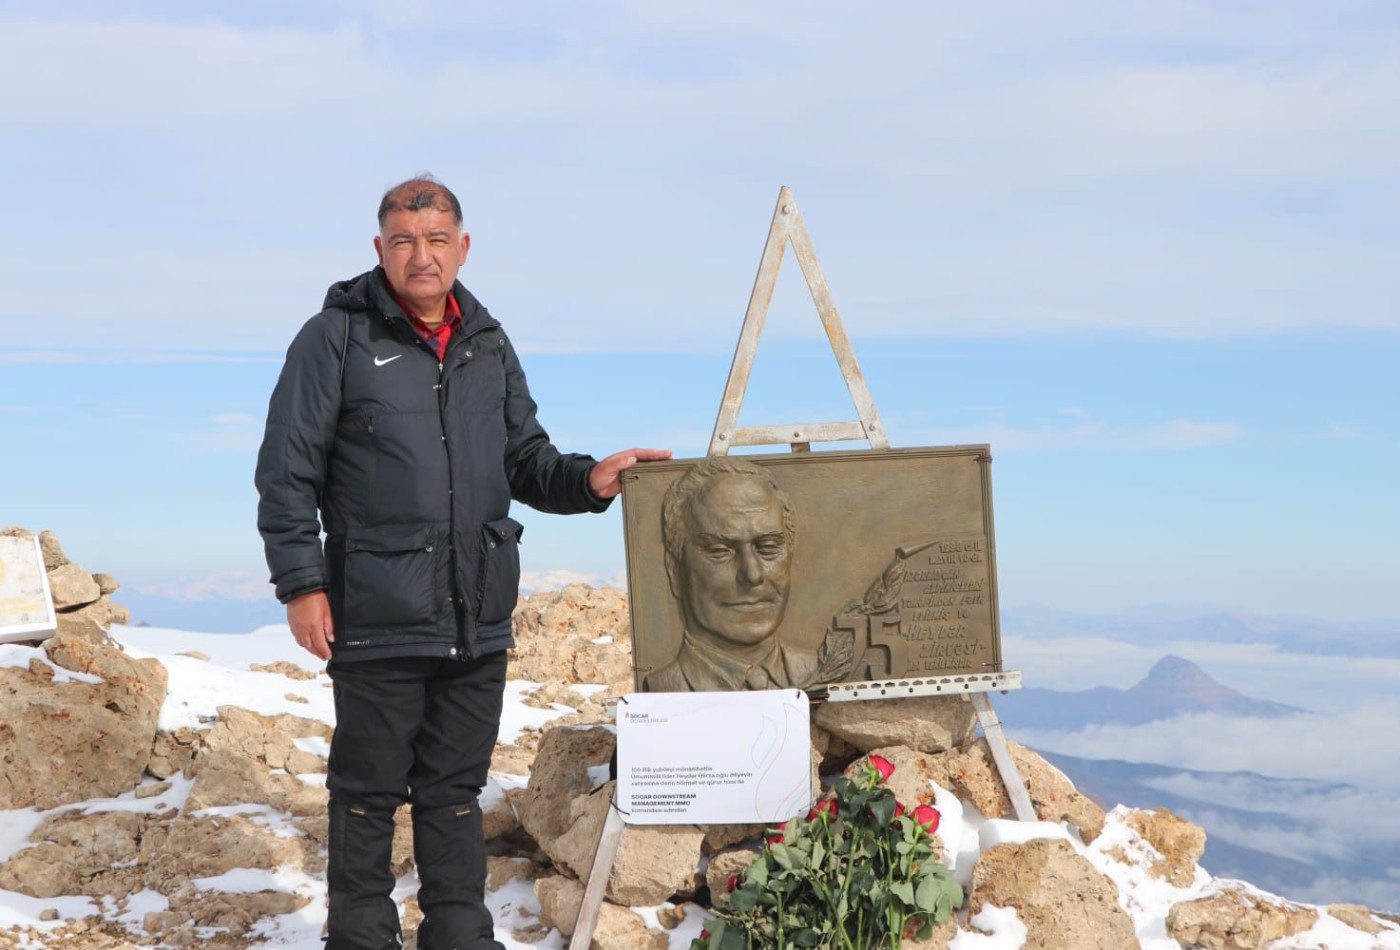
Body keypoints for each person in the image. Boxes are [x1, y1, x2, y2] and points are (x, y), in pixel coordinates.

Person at [254, 175, 668, 950]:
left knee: (452, 792)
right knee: (366, 794)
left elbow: (524, 458)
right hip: (375, 614)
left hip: (475, 618)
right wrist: (302, 584)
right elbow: (287, 472)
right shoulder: (335, 337)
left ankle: (458, 935)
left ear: (462, 247)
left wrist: (587, 480)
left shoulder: (487, 342)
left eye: (437, 239)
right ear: (380, 250)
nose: (422, 256)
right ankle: (362, 937)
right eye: (405, 241)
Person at [642, 457, 820, 692]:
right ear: (675, 570)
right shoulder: (662, 688)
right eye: (719, 551)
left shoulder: (819, 669)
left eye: (767, 547)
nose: (753, 574)